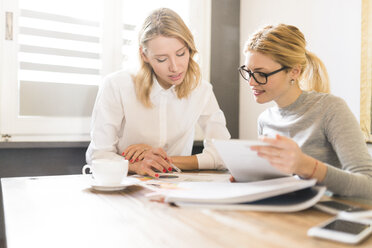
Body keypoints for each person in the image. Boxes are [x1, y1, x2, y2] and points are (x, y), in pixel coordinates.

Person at [86, 8, 230, 177]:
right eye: (162, 59)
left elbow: (223, 155)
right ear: (144, 55)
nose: (175, 67)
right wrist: (135, 166)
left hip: (177, 185)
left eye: (181, 53)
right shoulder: (116, 86)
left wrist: (163, 160)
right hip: (127, 184)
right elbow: (98, 156)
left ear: (190, 48)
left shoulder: (202, 90)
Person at [239, 24, 372, 199]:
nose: (251, 82)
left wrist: (308, 166)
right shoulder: (265, 120)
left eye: (261, 74)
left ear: (294, 71)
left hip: (327, 215)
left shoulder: (331, 109)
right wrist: (253, 178)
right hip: (288, 211)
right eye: (248, 72)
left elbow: (368, 185)